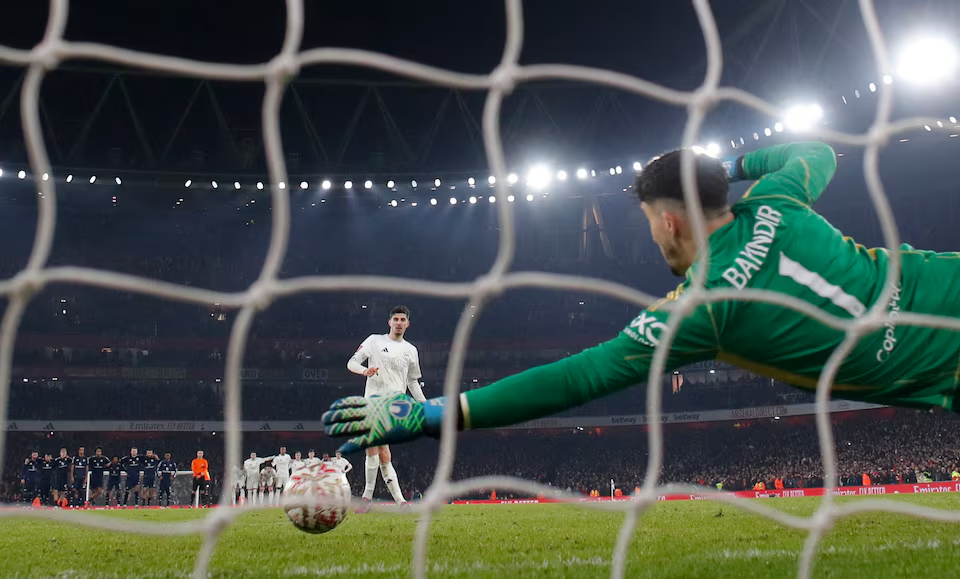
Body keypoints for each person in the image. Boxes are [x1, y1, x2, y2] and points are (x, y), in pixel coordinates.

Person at [322, 142, 960, 452]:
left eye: (651, 219)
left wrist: (433, 416)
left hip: (939, 365)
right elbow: (817, 150)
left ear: (669, 222)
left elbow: (578, 376)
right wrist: (728, 169)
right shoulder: (780, 199)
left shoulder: (701, 308)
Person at [345, 305, 425, 508]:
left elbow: (412, 382)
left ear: (408, 324)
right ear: (389, 322)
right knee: (378, 448)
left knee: (381, 451)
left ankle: (370, 498)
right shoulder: (374, 341)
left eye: (402, 320)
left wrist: (425, 404)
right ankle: (395, 500)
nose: (399, 323)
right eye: (395, 319)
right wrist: (365, 371)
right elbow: (351, 363)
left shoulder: (411, 350)